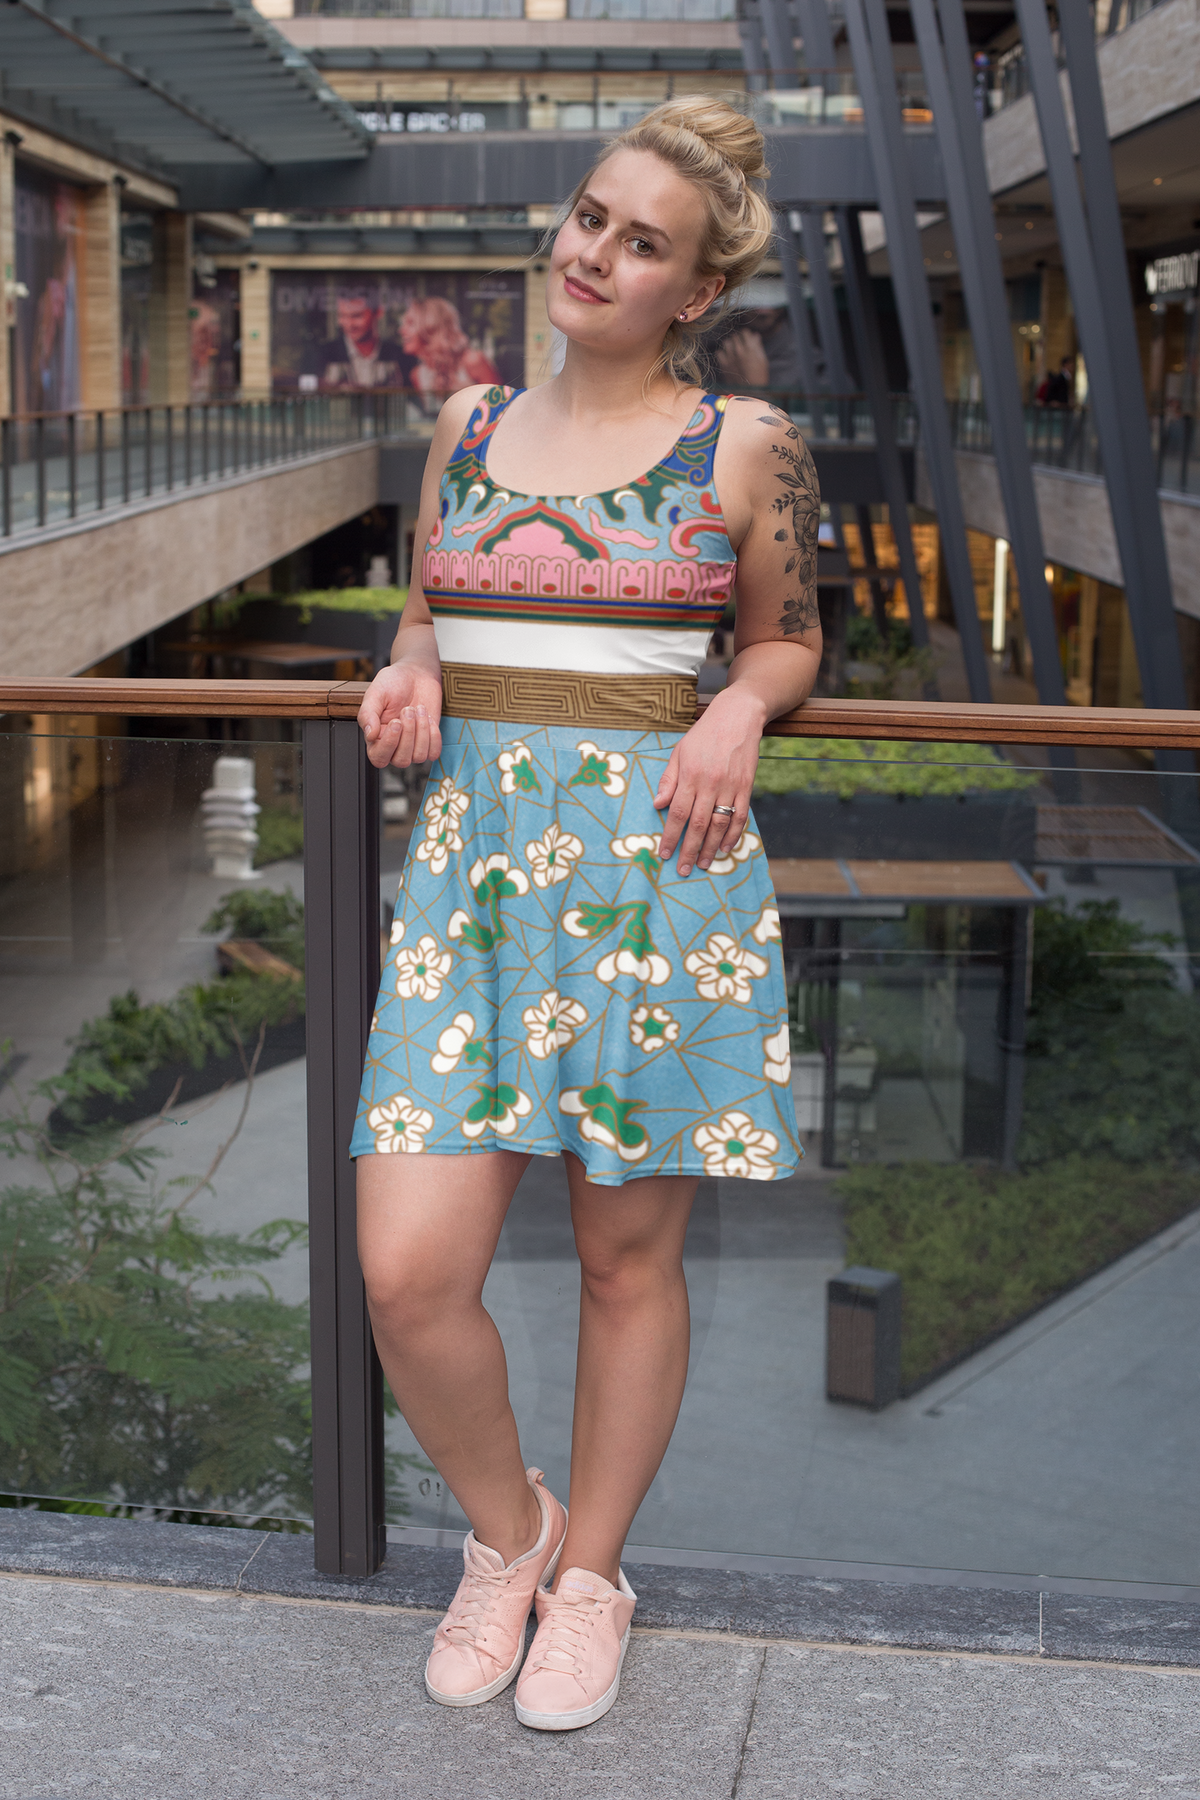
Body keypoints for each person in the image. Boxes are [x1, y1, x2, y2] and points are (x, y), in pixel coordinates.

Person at [353, 95, 822, 1733]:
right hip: (471, 895)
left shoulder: (744, 444)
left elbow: (789, 637)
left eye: (643, 243)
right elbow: (428, 607)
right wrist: (412, 668)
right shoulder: (467, 422)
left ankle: (596, 1579)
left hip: (656, 889)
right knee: (408, 1275)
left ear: (698, 289)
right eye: (590, 217)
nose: (596, 254)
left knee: (628, 1265)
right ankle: (514, 1536)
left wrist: (741, 706)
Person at [299, 285, 414, 391]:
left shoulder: (400, 356)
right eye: (342, 315)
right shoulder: (321, 354)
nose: (349, 324)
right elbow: (304, 389)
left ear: (378, 312)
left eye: (357, 316)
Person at [399, 294, 501, 409]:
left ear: (431, 326)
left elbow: (500, 408)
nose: (401, 330)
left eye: (410, 323)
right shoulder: (417, 375)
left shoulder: (473, 361)